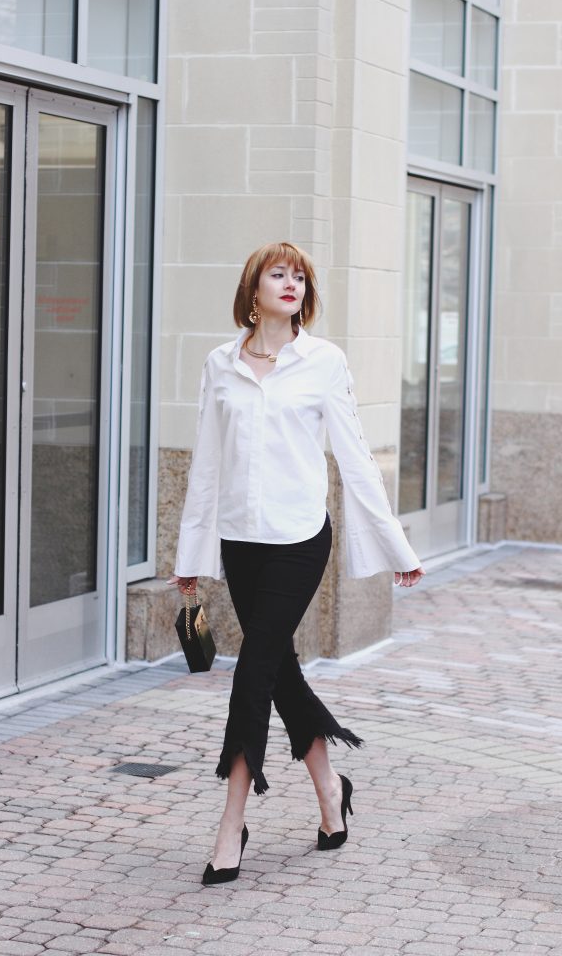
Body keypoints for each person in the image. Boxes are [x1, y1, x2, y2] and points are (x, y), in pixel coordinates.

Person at [168, 242, 424, 885]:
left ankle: (232, 824)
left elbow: (356, 456)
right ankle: (331, 790)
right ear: (252, 288)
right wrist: (191, 555)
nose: (292, 283)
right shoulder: (220, 364)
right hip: (240, 541)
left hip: (300, 540)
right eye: (278, 274)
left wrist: (395, 544)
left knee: (252, 673)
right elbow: (205, 464)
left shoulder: (324, 362)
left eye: (301, 276)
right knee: (278, 672)